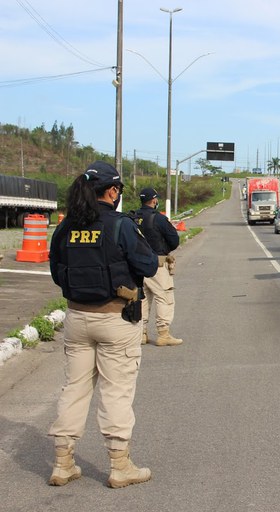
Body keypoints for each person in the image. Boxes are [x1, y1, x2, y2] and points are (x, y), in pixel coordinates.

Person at [48, 161, 158, 488]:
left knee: (75, 389)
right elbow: (148, 265)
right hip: (116, 319)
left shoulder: (66, 227)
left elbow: (57, 271)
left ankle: (62, 463)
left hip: (76, 318)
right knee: (116, 391)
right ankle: (120, 465)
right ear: (112, 191)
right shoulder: (119, 225)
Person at [135, 187, 182, 346]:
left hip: (136, 265)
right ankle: (163, 334)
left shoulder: (132, 217)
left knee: (142, 299)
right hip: (157, 264)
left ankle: (141, 333)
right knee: (164, 297)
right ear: (154, 200)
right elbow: (174, 240)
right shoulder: (159, 219)